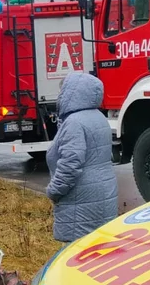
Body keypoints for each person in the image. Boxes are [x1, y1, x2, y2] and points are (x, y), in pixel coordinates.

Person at [46, 72, 118, 242]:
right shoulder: (98, 117)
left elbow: (70, 164)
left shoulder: (74, 122)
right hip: (103, 193)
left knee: (76, 255)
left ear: (71, 93)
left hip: (80, 199)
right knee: (100, 250)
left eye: (62, 91)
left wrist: (54, 191)